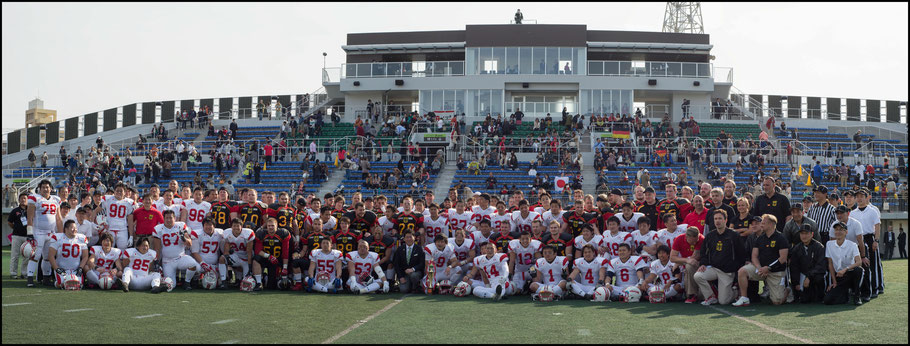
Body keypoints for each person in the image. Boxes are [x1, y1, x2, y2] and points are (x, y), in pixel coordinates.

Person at [732, 214, 789, 306]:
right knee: (742, 271)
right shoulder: (760, 238)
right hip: (762, 270)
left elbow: (783, 258)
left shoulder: (781, 238)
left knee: (777, 302)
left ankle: (787, 290)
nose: (761, 225)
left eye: (763, 223)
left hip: (775, 271)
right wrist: (759, 268)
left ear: (771, 224)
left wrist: (768, 268)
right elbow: (754, 256)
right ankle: (744, 298)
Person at [693, 209, 745, 305]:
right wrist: (703, 264)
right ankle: (710, 297)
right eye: (715, 219)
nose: (717, 221)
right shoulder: (710, 236)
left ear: (725, 220)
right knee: (698, 276)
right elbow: (703, 252)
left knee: (723, 301)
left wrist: (736, 268)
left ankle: (735, 292)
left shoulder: (734, 235)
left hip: (727, 271)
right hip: (713, 268)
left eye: (720, 218)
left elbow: (741, 253)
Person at [27, 179, 62, 287]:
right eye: (43, 187)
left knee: (48, 256)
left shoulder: (56, 199)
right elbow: (30, 217)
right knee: (36, 255)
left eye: (47, 187)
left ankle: (46, 278)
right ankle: (30, 278)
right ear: (39, 189)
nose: (46, 189)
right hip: (38, 232)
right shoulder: (35, 198)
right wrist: (29, 233)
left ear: (51, 188)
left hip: (51, 233)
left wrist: (60, 234)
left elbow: (59, 219)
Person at [152, 210, 199, 291]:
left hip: (180, 257)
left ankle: (187, 282)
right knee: (171, 286)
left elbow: (189, 243)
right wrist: (157, 261)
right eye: (167, 218)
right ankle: (160, 284)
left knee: (194, 265)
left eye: (171, 218)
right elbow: (157, 248)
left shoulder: (180, 226)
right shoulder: (158, 229)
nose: (169, 220)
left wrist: (183, 238)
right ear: (164, 218)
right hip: (167, 261)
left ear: (175, 218)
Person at [851, 189, 883, 301]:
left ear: (866, 197)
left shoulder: (872, 211)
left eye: (861, 196)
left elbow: (877, 226)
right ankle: (861, 289)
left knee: (872, 264)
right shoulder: (853, 213)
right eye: (857, 197)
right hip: (858, 239)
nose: (859, 199)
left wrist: (876, 240)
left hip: (869, 238)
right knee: (861, 265)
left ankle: (875, 288)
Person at [823, 222, 864, 306]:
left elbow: (859, 262)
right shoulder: (829, 244)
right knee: (828, 300)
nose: (838, 232)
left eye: (841, 230)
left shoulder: (852, 245)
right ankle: (845, 295)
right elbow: (830, 264)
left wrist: (845, 269)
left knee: (858, 270)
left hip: (850, 274)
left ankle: (857, 296)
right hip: (839, 277)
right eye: (836, 230)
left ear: (846, 232)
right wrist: (834, 282)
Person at [788, 224, 827, 304]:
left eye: (806, 233)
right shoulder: (797, 248)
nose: (804, 236)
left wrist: (809, 277)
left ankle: (820, 294)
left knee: (818, 279)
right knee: (804, 300)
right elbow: (794, 267)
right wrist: (796, 283)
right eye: (802, 233)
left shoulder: (819, 247)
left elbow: (821, 266)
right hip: (803, 276)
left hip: (814, 275)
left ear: (812, 234)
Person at [48, 220, 89, 289]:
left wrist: (80, 268)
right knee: (63, 283)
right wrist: (57, 269)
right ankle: (56, 282)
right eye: (72, 228)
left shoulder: (81, 238)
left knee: (78, 285)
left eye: (76, 228)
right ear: (66, 229)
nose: (75, 230)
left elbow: (85, 256)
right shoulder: (58, 238)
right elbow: (50, 256)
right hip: (62, 269)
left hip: (75, 270)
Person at [670, 227, 704, 303]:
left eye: (696, 241)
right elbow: (672, 258)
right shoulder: (679, 239)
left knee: (690, 265)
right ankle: (690, 294)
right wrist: (686, 260)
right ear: (686, 237)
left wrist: (679, 262)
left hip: (700, 264)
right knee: (688, 265)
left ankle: (691, 294)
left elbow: (695, 258)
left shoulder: (701, 239)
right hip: (686, 264)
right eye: (692, 242)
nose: (694, 243)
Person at [220, 218, 255, 289]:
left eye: (237, 226)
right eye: (234, 226)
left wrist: (250, 266)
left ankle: (241, 278)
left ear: (241, 226)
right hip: (236, 256)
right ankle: (223, 281)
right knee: (222, 258)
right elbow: (226, 249)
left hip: (246, 259)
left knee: (246, 284)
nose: (236, 228)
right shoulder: (227, 233)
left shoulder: (247, 233)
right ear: (231, 226)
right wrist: (227, 258)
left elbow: (249, 252)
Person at [8, 193, 29, 279]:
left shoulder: (31, 210)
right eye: (21, 198)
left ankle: (24, 273)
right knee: (15, 255)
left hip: (27, 236)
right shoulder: (15, 210)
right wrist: (16, 228)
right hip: (16, 236)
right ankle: (13, 273)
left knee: (27, 256)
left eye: (25, 198)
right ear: (19, 200)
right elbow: (9, 222)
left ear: (27, 200)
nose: (23, 200)